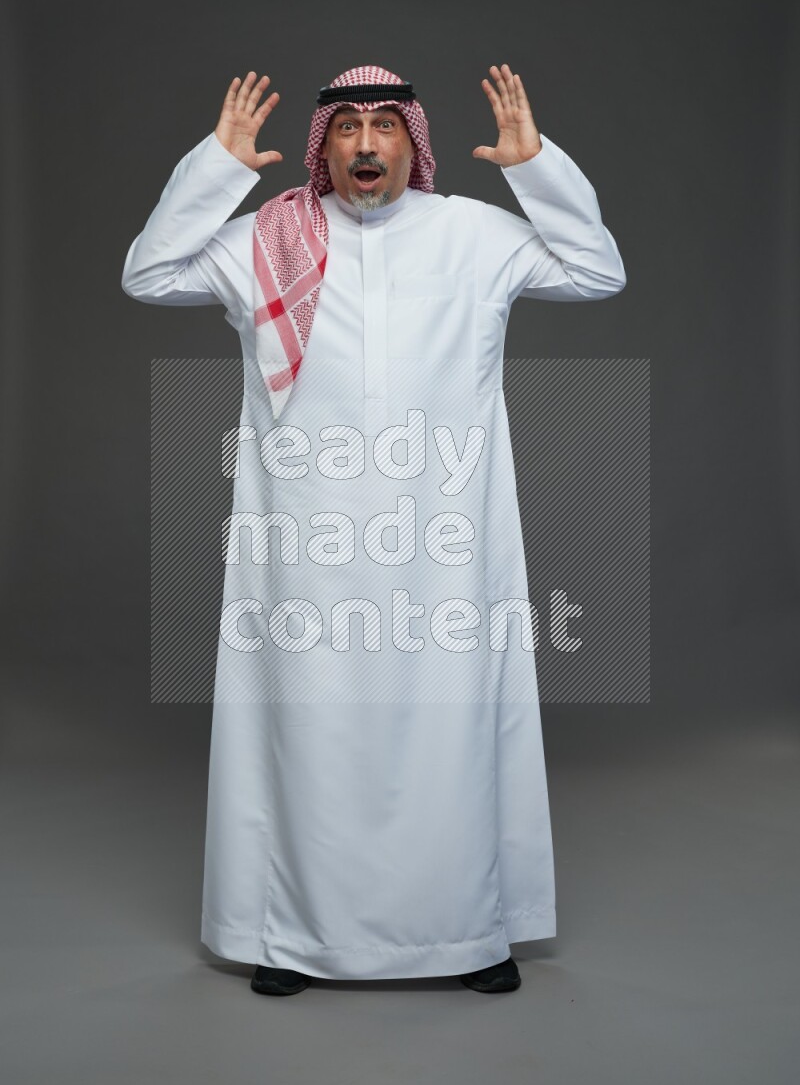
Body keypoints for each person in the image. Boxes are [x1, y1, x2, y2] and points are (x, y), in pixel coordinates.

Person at [122, 63, 626, 996]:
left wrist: (536, 168)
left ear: (411, 143)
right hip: (303, 549)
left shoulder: (474, 234)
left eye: (384, 125)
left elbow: (599, 271)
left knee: (456, 727)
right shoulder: (267, 240)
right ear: (324, 146)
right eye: (348, 125)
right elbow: (149, 273)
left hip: (446, 547)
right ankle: (293, 937)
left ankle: (469, 934)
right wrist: (216, 171)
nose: (365, 142)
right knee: (306, 726)